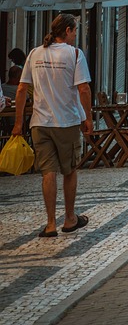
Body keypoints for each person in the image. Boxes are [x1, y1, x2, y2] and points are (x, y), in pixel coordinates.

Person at [12, 13, 92, 238]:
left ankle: (49, 224)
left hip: (39, 123)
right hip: (66, 122)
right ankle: (69, 219)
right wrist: (88, 118)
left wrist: (18, 123)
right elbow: (84, 89)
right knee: (69, 171)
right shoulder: (74, 54)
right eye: (75, 30)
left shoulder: (34, 54)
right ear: (66, 31)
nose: (75, 35)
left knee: (48, 172)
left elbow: (21, 89)